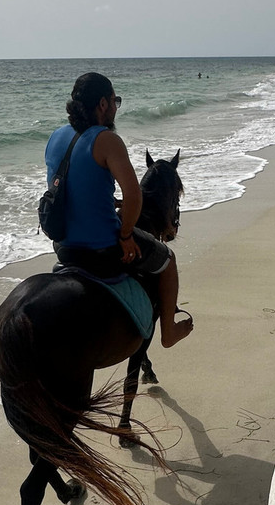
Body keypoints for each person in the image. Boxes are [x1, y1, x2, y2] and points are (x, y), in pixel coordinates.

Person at [45, 72, 193, 348]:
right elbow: (134, 196)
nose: (116, 107)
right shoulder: (107, 139)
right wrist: (125, 235)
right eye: (115, 101)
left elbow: (72, 187)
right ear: (103, 104)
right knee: (167, 260)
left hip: (63, 246)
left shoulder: (56, 136)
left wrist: (108, 201)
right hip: (102, 249)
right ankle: (169, 332)